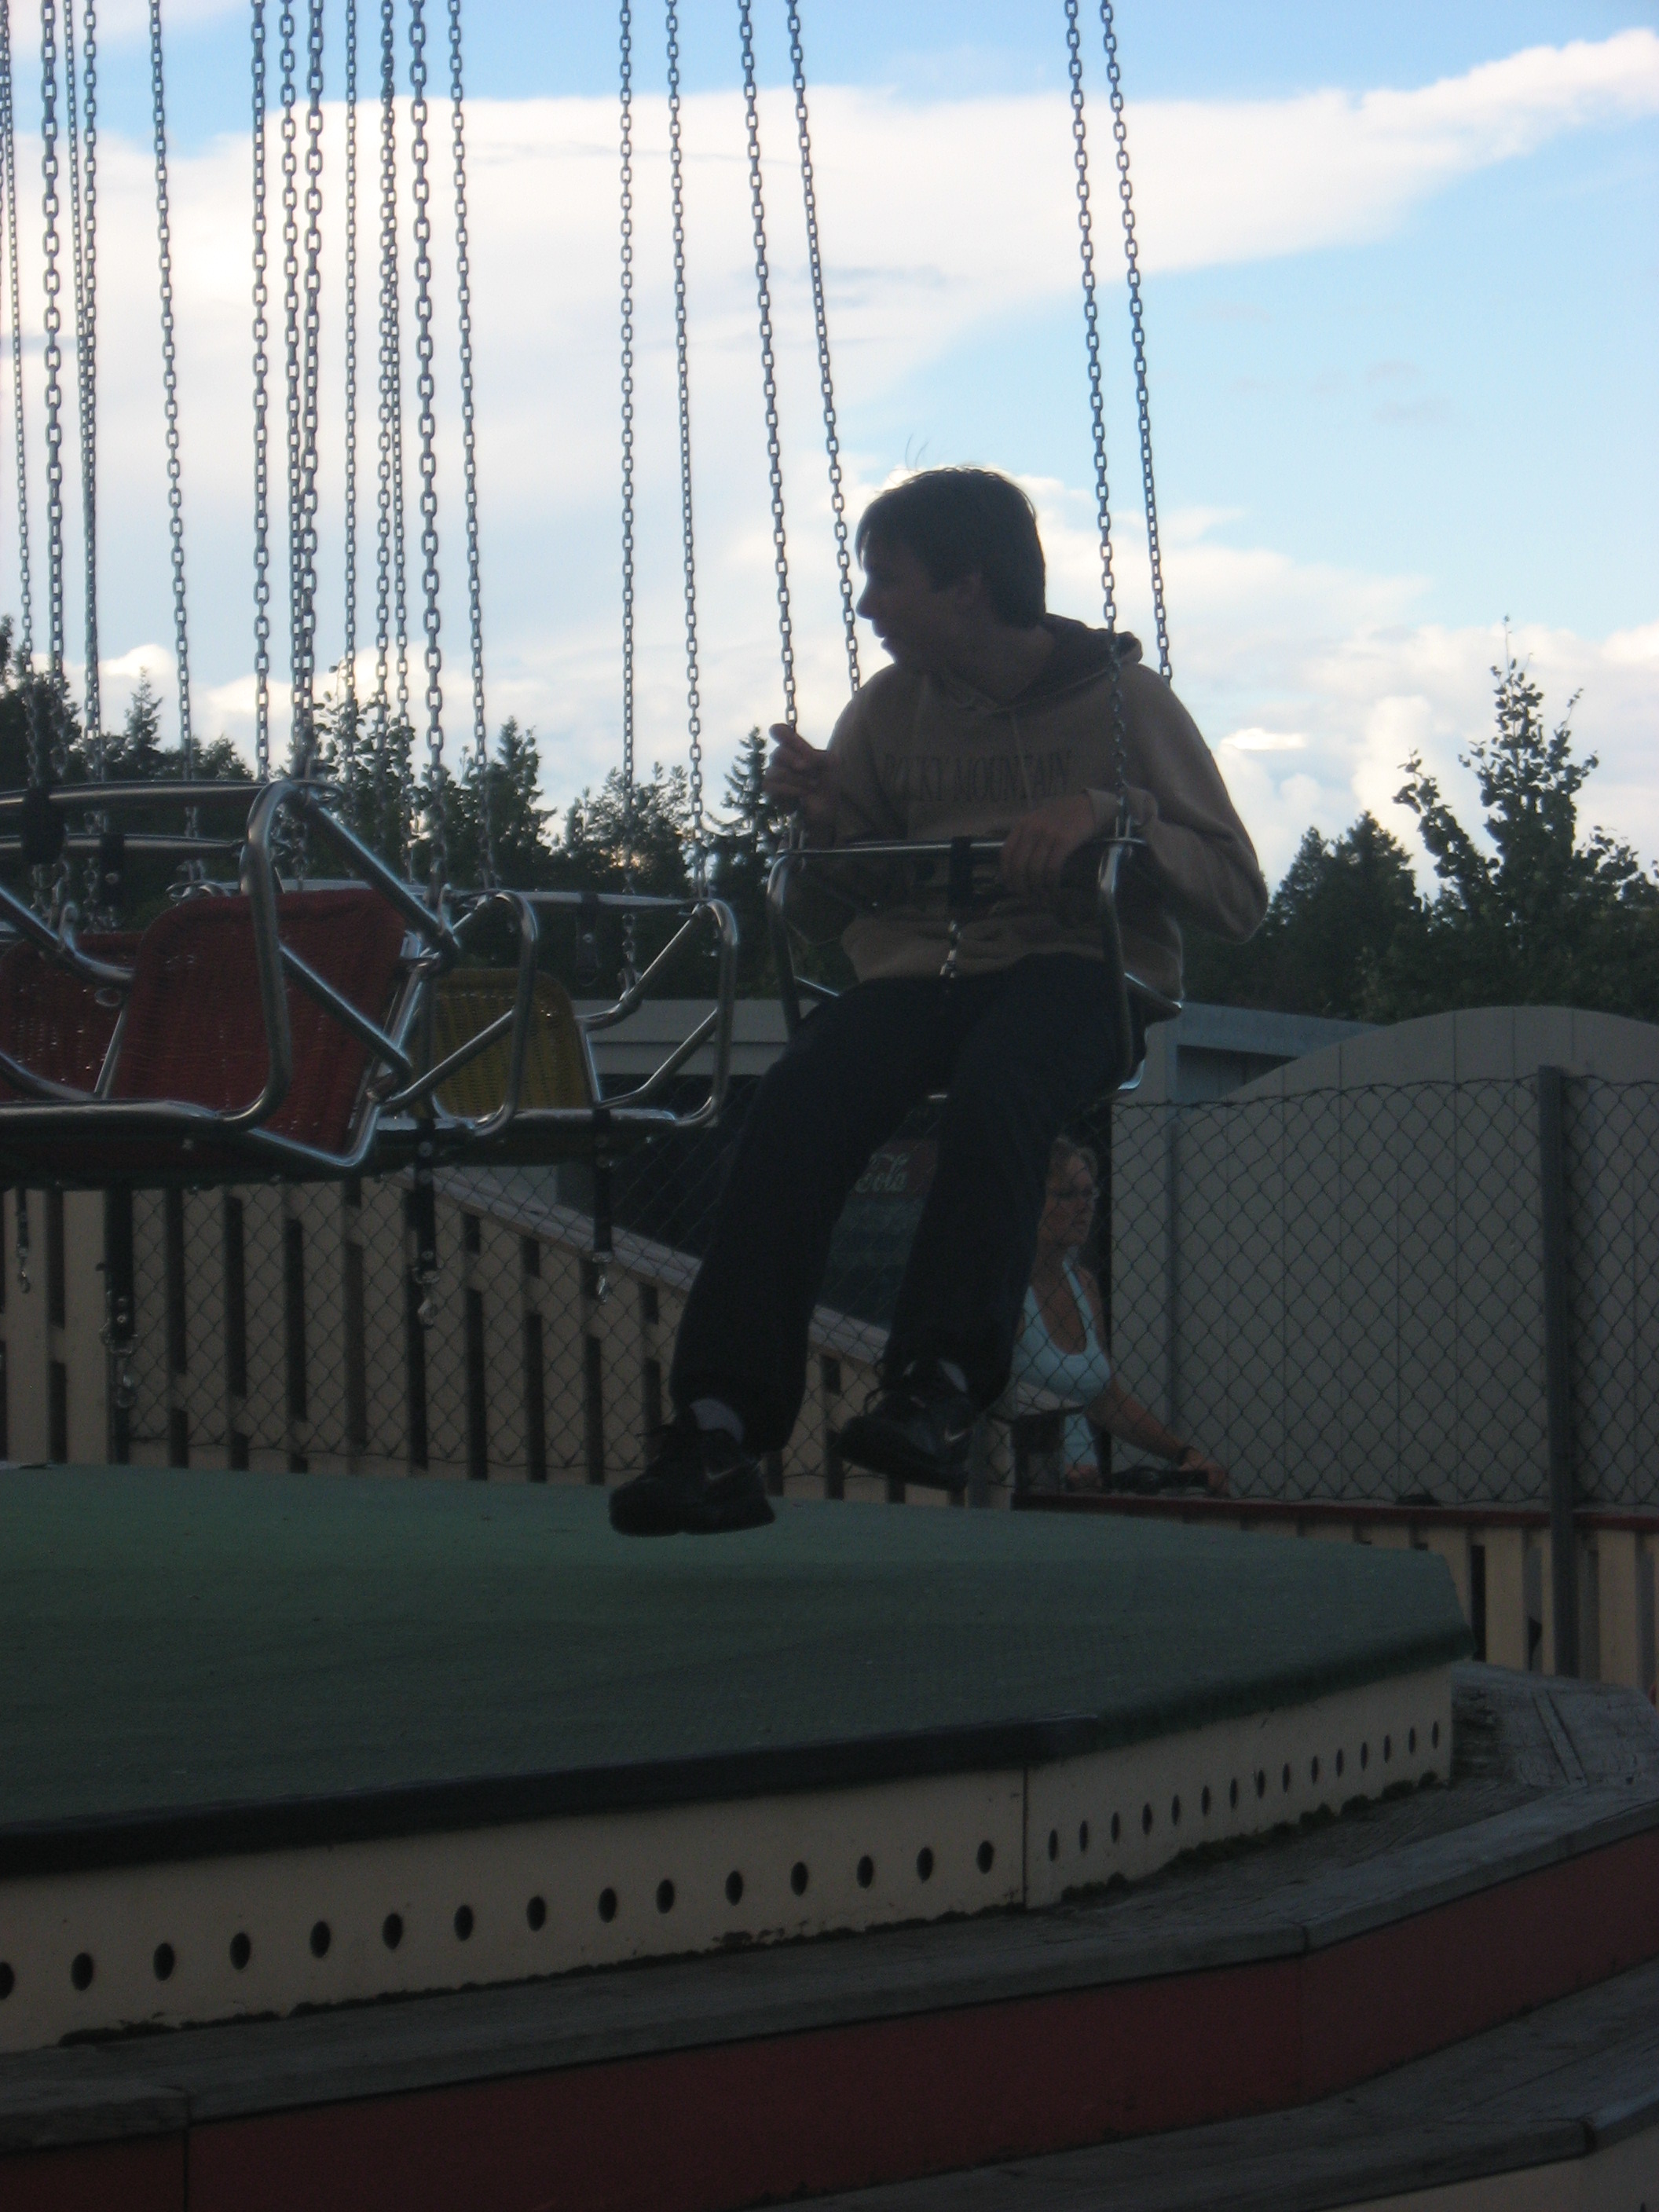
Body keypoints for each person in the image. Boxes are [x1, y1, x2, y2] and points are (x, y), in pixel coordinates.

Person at [610, 466, 1265, 1536]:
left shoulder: (1124, 706)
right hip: (921, 974)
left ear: (968, 585)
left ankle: (942, 1383)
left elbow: (1237, 894)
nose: (868, 604)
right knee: (796, 1102)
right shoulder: (888, 711)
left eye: (888, 578)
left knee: (1004, 1086)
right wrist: (825, 822)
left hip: (1078, 970)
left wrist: (1111, 811)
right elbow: (821, 910)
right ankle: (720, 1424)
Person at [1008, 1137, 1228, 1494]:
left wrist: (1185, 1454)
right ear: (1032, 1199)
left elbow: (1107, 1399)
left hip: (1084, 1491)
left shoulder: (1083, 1285)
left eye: (1089, 1194)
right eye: (1067, 1195)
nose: (1084, 1207)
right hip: (1024, 1489)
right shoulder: (1008, 1291)